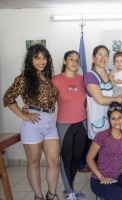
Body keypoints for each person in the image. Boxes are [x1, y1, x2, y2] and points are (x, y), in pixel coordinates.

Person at [3, 44, 60, 200]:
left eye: (44, 57)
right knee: (34, 163)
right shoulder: (23, 78)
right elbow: (8, 98)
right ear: (30, 60)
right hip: (33, 125)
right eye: (37, 58)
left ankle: (52, 194)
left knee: (54, 161)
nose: (42, 61)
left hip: (50, 125)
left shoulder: (47, 78)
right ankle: (38, 196)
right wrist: (23, 115)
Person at [51, 50, 87, 200]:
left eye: (77, 60)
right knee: (66, 158)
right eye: (71, 59)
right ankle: (69, 190)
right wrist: (29, 108)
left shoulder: (83, 79)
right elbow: (46, 101)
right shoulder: (55, 80)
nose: (74, 62)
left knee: (77, 158)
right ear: (65, 61)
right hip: (64, 124)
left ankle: (69, 189)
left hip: (82, 123)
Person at [84, 45, 122, 140]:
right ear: (93, 57)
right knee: (101, 152)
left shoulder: (112, 73)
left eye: (106, 55)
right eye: (100, 55)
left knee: (116, 150)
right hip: (99, 122)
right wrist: (119, 99)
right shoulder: (90, 76)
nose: (103, 58)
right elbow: (101, 100)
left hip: (115, 122)